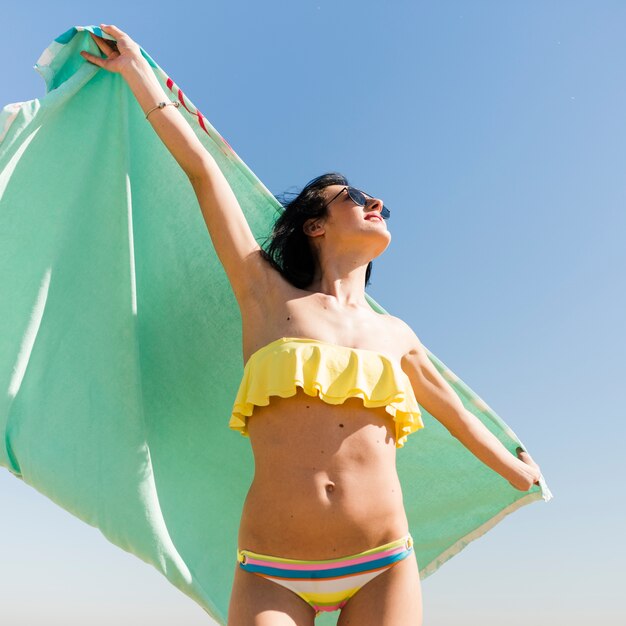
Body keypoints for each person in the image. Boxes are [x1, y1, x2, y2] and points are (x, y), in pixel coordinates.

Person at [81, 24, 542, 626]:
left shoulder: (397, 335)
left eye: (378, 199)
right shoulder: (265, 296)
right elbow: (202, 171)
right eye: (353, 195)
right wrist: (139, 74)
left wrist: (519, 471)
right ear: (315, 227)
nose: (374, 202)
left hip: (383, 561)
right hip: (274, 568)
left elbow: (455, 414)